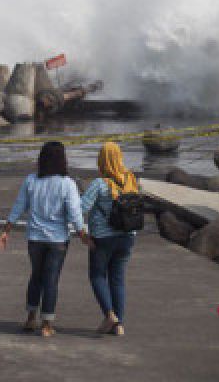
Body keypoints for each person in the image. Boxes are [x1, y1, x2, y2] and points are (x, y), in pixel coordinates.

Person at [0, 141, 92, 336]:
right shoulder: (67, 184)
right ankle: (47, 324)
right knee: (51, 280)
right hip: (58, 239)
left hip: (35, 238)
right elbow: (74, 213)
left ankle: (31, 318)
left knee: (36, 276)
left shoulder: (31, 180)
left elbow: (19, 206)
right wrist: (82, 234)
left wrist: (6, 230)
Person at [79, 141, 138, 336]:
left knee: (97, 276)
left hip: (103, 238)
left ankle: (109, 314)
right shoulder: (131, 179)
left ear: (102, 160)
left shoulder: (99, 184)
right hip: (128, 236)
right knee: (118, 279)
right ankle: (119, 325)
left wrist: (82, 231)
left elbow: (81, 208)